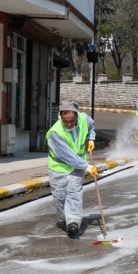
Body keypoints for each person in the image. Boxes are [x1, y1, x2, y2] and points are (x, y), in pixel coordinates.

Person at [46, 101, 98, 236]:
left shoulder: (84, 119)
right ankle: (64, 220)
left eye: (72, 121)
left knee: (75, 194)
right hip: (59, 169)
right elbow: (67, 156)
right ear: (61, 118)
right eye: (66, 121)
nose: (69, 124)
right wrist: (86, 166)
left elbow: (91, 126)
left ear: (77, 116)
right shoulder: (55, 133)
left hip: (77, 168)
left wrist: (90, 138)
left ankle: (73, 222)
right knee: (60, 197)